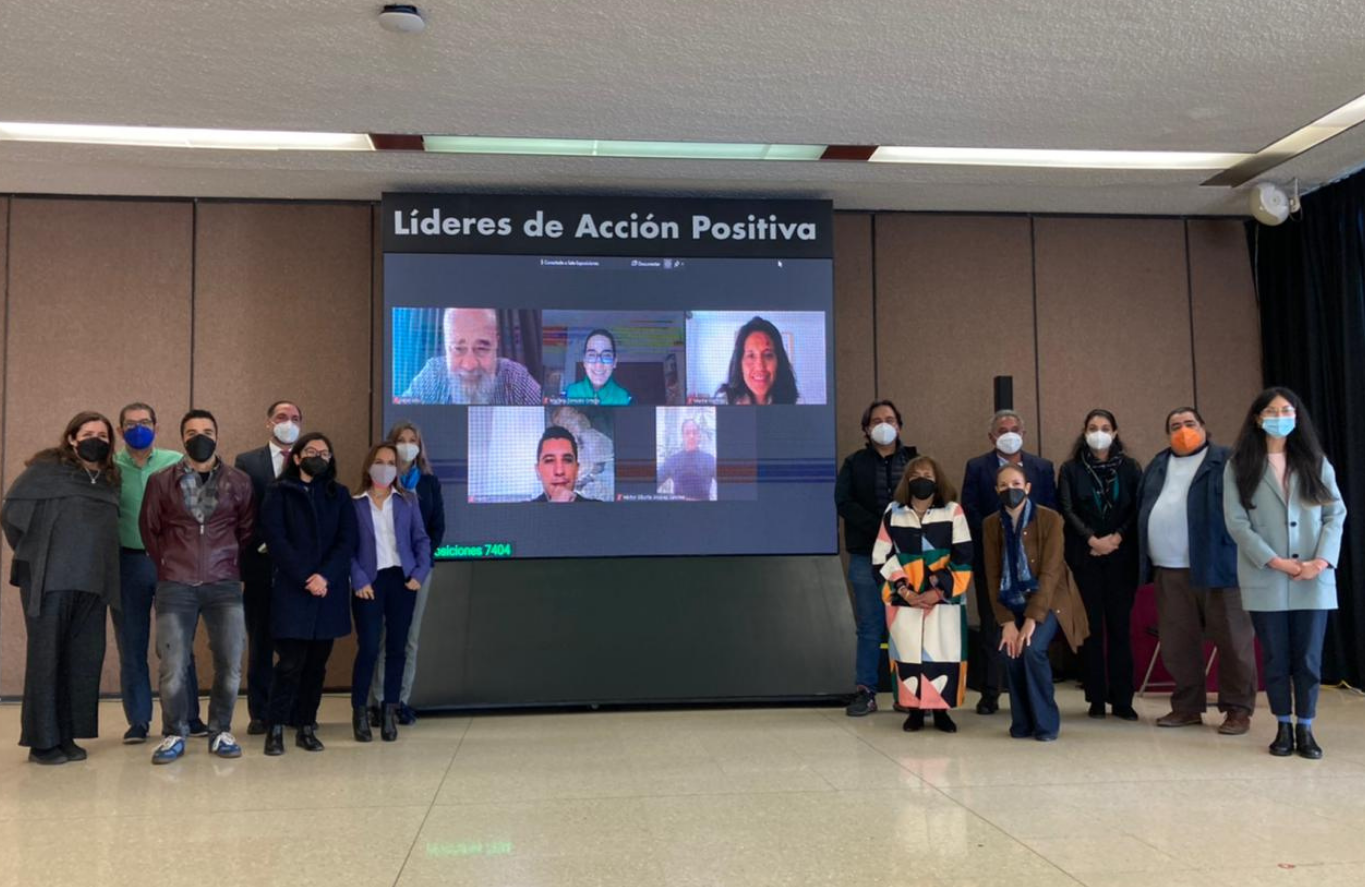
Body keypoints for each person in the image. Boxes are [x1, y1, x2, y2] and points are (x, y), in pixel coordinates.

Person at [1224, 387, 1346, 759]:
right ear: (1258, 418)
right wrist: (1277, 562)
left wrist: (1320, 562)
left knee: (1308, 658)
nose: (1281, 416)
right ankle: (1282, 725)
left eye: (1288, 410)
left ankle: (1306, 727)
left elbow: (1334, 515)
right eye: (1273, 411)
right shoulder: (1239, 465)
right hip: (1267, 576)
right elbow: (1237, 523)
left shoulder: (1315, 461)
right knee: (1276, 658)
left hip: (1314, 578)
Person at [2, 412, 120, 765]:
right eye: (88, 433)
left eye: (102, 434)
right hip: (50, 581)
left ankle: (66, 734)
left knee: (82, 660)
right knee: (46, 659)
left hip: (93, 584)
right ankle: (42, 742)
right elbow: (11, 516)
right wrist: (34, 554)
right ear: (71, 438)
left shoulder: (112, 479)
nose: (95, 439)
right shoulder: (44, 471)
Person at [140, 410, 256, 764]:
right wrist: (172, 563)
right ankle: (175, 733)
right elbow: (150, 529)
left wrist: (228, 563)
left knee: (230, 662)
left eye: (206, 431)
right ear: (182, 439)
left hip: (223, 584)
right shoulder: (162, 481)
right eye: (192, 432)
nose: (199, 437)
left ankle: (220, 730)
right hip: (176, 583)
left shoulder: (238, 481)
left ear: (217, 436)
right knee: (172, 665)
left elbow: (247, 529)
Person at [1137, 407, 1257, 735]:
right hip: (1170, 569)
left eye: (1190, 423)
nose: (1183, 430)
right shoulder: (1158, 465)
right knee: (1178, 643)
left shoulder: (1227, 460)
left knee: (1234, 639)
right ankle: (1187, 707)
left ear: (1204, 427)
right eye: (1175, 425)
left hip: (1220, 567)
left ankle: (1237, 709)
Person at [259, 432, 358, 755]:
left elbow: (347, 541)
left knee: (317, 667)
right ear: (297, 457)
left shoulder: (339, 494)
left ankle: (305, 726)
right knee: (289, 664)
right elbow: (276, 540)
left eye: (325, 453)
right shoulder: (279, 492)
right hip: (293, 590)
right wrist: (306, 577)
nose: (319, 457)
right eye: (312, 451)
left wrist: (324, 576)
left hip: (327, 591)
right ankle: (274, 728)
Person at [111, 402, 203, 744]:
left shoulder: (176, 462)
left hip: (169, 562)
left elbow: (197, 507)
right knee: (131, 644)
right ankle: (138, 721)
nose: (139, 428)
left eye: (145, 422)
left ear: (156, 426)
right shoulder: (110, 466)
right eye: (131, 424)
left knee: (178, 644)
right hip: (127, 563)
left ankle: (189, 716)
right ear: (120, 431)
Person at [961, 409, 1058, 715]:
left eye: (1014, 428)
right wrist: (999, 537)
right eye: (1002, 430)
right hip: (993, 560)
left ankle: (1034, 696)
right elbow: (970, 508)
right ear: (992, 437)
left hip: (1035, 565)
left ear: (1023, 433)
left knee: (1032, 632)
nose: (1009, 433)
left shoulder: (1042, 468)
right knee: (995, 627)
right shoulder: (977, 467)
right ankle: (990, 693)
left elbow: (1051, 511)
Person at [983, 464, 1089, 741]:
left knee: (1031, 649)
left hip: (1051, 599)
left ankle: (1046, 724)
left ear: (1027, 488)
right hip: (1011, 601)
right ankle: (1022, 723)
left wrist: (1031, 620)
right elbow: (993, 575)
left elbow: (1051, 572)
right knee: (1010, 651)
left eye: (1017, 484)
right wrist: (1007, 621)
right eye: (1004, 486)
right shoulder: (990, 524)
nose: (1011, 490)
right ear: (997, 490)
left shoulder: (1050, 519)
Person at [871, 456, 973, 733]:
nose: (921, 479)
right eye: (915, 474)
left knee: (945, 653)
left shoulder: (953, 511)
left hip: (944, 601)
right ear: (907, 481)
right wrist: (903, 590)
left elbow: (963, 556)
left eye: (927, 473)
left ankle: (942, 712)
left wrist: (937, 591)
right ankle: (913, 710)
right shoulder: (893, 512)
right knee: (906, 654)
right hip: (905, 601)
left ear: (937, 479)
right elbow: (882, 556)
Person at [1057, 409, 1143, 721]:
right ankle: (1095, 697)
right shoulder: (1070, 469)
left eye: (1105, 427)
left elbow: (1138, 507)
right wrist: (1093, 540)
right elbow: (1066, 509)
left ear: (1116, 433)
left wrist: (1116, 538)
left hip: (1121, 558)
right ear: (1084, 431)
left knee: (1120, 629)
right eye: (1093, 427)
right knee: (1090, 630)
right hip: (1086, 558)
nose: (1099, 432)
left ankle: (1123, 700)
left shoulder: (1131, 468)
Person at [835, 400, 918, 716]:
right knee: (870, 626)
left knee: (906, 625)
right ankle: (866, 691)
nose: (884, 424)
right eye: (876, 420)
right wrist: (883, 527)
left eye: (890, 419)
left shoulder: (915, 461)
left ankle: (907, 693)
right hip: (866, 556)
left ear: (899, 425)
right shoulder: (854, 463)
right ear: (866, 429)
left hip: (909, 558)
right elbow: (844, 502)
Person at [350, 444, 433, 743]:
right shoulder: (354, 503)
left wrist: (419, 574)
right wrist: (358, 579)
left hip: (402, 581)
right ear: (368, 466)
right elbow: (347, 548)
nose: (384, 467)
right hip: (369, 583)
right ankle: (359, 711)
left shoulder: (408, 501)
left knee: (397, 648)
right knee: (370, 647)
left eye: (390, 463)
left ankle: (389, 712)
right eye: (379, 462)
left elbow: (422, 540)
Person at [367, 421, 446, 728]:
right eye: (402, 440)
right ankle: (376, 701)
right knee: (382, 637)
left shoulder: (428, 482)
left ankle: (399, 701)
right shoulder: (381, 479)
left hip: (418, 572)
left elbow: (437, 528)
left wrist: (422, 565)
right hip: (384, 569)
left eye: (413, 440)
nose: (407, 445)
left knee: (409, 639)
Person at [234, 399, 303, 735]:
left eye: (294, 418)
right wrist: (267, 544)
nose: (287, 423)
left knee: (294, 644)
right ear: (268, 423)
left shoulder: (309, 458)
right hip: (260, 566)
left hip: (297, 572)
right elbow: (242, 512)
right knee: (260, 644)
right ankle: (260, 713)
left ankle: (290, 708)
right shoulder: (247, 462)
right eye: (281, 417)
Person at [402, 307, 542, 404]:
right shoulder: (433, 374)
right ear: (446, 345)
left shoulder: (516, 378)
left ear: (496, 343)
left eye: (481, 348)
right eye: (458, 348)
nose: (469, 365)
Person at [716, 316, 799, 405]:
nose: (760, 366)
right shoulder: (723, 404)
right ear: (739, 363)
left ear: (778, 361)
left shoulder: (794, 405)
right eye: (751, 356)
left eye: (768, 355)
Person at [550, 406, 614, 501]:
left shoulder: (594, 437)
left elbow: (601, 466)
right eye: (562, 421)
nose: (568, 423)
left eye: (572, 414)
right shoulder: (560, 445)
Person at [530, 426, 601, 503]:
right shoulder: (525, 512)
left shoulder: (599, 510)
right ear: (538, 471)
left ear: (577, 469)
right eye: (549, 460)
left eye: (567, 460)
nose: (559, 471)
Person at [564, 328, 632, 405]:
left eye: (606, 356)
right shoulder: (570, 394)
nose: (599, 364)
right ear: (584, 361)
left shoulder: (624, 398)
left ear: (614, 362)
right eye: (592, 355)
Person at [656, 418, 717, 501]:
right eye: (687, 433)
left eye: (694, 432)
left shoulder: (709, 460)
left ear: (699, 436)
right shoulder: (673, 461)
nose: (691, 436)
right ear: (683, 437)